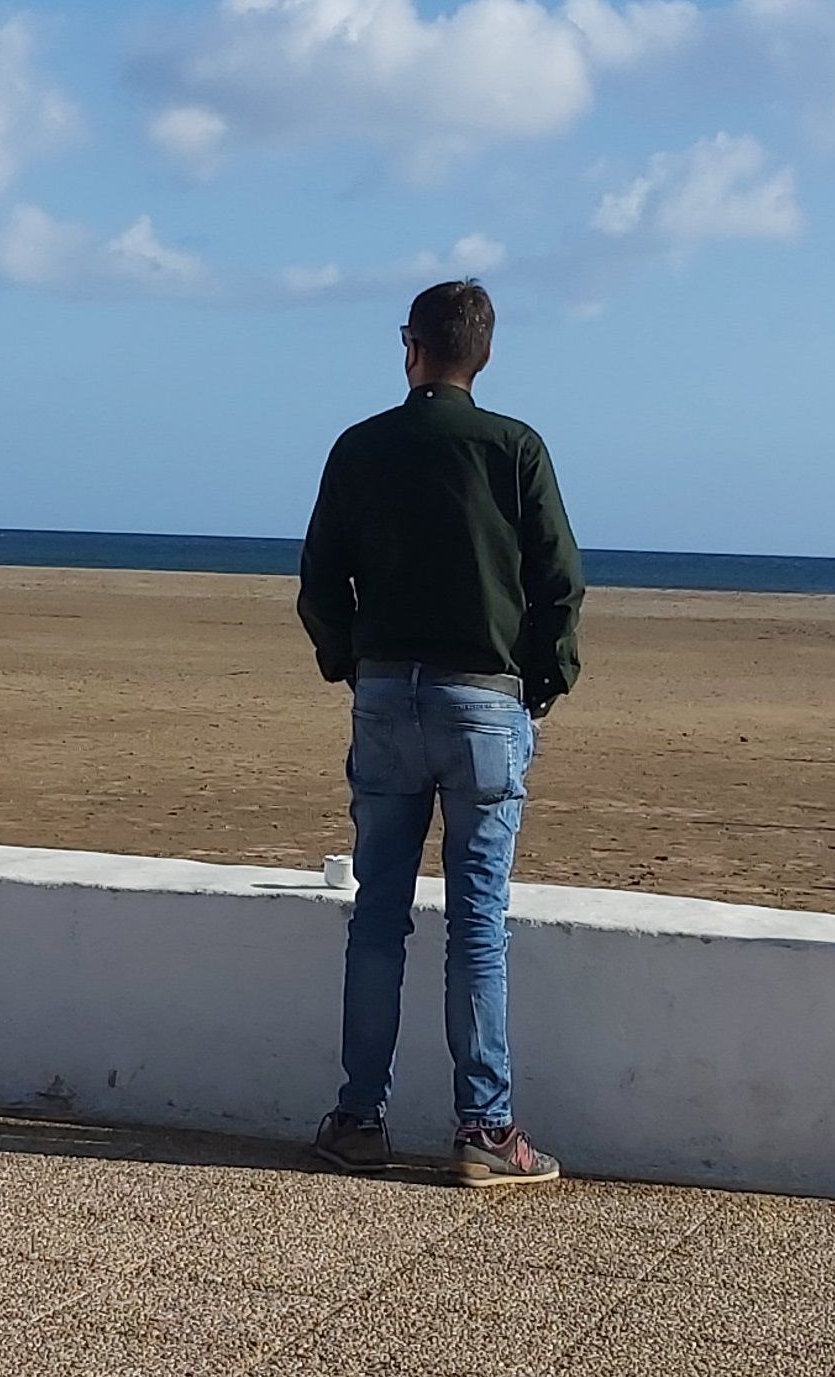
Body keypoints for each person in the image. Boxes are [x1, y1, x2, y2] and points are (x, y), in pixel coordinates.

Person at [297, 279, 586, 1187]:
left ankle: (358, 1116)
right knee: (476, 922)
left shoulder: (361, 447)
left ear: (409, 347)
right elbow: (558, 580)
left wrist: (350, 660)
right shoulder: (513, 448)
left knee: (377, 912)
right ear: (485, 355)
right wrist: (542, 679)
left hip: (387, 695)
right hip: (482, 702)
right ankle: (485, 1128)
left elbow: (319, 578)